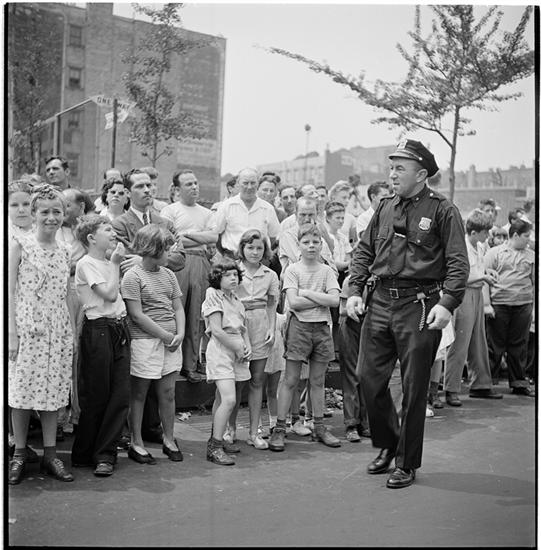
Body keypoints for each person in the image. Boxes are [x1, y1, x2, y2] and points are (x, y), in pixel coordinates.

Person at [346, 139, 469, 489]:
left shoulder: (443, 211)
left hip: (420, 305)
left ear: (421, 174)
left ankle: (406, 462)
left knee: (414, 388)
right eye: (391, 167)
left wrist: (447, 303)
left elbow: (458, 263)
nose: (392, 174)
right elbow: (364, 251)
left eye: (400, 168)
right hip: (379, 301)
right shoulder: (385, 207)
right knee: (368, 378)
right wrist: (354, 291)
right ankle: (388, 442)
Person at [112, 168, 186, 444]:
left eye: (150, 185)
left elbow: (179, 258)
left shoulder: (164, 221)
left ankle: (157, 430)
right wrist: (141, 259)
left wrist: (146, 257)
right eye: (140, 186)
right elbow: (121, 259)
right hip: (140, 312)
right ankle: (133, 435)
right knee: (139, 384)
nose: (147, 190)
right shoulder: (120, 223)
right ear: (128, 191)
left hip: (163, 302)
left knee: (165, 386)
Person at [8, 184, 74, 484]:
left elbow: (65, 293)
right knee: (21, 393)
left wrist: (70, 332)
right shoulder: (20, 245)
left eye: (56, 211)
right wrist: (11, 332)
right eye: (44, 211)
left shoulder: (65, 250)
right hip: (26, 328)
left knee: (52, 393)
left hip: (56, 330)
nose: (51, 217)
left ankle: (50, 455)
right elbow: (9, 291)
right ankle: (20, 454)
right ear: (34, 214)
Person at [269, 224, 342, 452]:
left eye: (315, 242)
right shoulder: (293, 270)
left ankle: (318, 426)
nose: (311, 246)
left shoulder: (327, 271)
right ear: (298, 245)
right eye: (306, 242)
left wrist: (308, 293)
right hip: (299, 328)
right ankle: (280, 428)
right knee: (290, 379)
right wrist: (321, 299)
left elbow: (335, 301)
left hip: (321, 328)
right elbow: (294, 302)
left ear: (321, 244)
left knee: (317, 380)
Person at [70, 215, 130, 477]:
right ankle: (86, 452)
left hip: (118, 328)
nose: (113, 233)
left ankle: (105, 453)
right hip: (99, 330)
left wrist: (115, 264)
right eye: (107, 229)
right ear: (92, 238)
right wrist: (116, 264)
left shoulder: (108, 262)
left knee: (119, 395)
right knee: (97, 393)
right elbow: (110, 294)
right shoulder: (87, 263)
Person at [121, 225, 186, 464]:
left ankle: (169, 438)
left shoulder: (168, 274)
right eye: (166, 250)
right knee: (139, 393)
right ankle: (136, 442)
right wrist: (165, 336)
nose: (170, 254)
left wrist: (179, 334)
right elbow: (136, 315)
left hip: (171, 342)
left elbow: (177, 306)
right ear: (153, 249)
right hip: (145, 341)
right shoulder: (133, 276)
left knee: (168, 392)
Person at [160, 170, 217, 383]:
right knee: (177, 311)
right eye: (188, 184)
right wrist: (197, 237)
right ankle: (172, 363)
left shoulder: (206, 213)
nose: (194, 187)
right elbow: (169, 238)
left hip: (201, 262)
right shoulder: (170, 210)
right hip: (178, 262)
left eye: (195, 183)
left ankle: (190, 365)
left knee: (196, 314)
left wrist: (186, 235)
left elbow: (213, 237)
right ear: (177, 189)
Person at [443, 210, 503, 407]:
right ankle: (451, 388)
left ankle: (481, 384)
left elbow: (476, 270)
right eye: (485, 232)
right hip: (464, 294)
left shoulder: (479, 246)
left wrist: (486, 272)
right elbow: (458, 277)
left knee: (479, 341)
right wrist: (482, 277)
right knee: (460, 343)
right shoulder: (461, 247)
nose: (488, 236)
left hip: (476, 293)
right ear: (474, 232)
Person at [201, 260, 252, 465]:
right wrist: (237, 347)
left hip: (237, 350)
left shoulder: (237, 300)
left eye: (235, 275)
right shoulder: (213, 295)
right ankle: (214, 447)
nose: (233, 278)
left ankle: (219, 437)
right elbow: (217, 330)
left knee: (222, 398)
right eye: (227, 275)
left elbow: (243, 328)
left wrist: (246, 346)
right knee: (229, 399)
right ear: (217, 278)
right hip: (222, 350)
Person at [234, 229, 279, 450]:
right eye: (250, 247)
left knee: (257, 379)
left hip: (260, 324)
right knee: (236, 380)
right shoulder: (234, 270)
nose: (255, 252)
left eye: (259, 248)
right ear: (242, 248)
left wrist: (271, 327)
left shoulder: (270, 274)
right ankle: (229, 429)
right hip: (238, 323)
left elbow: (272, 303)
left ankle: (254, 432)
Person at [7, 180, 40, 463]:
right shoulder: (8, 237)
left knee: (23, 379)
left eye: (26, 204)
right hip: (10, 312)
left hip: (32, 316)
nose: (21, 209)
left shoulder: (39, 234)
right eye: (14, 204)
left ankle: (19, 439)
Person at [484, 218, 535, 396]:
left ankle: (519, 382)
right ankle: (486, 382)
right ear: (515, 235)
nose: (529, 239)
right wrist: (486, 304)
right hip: (499, 304)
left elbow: (535, 282)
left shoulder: (531, 256)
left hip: (523, 305)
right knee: (494, 345)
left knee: (519, 345)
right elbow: (484, 280)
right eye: (526, 236)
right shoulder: (494, 253)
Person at [213, 167, 280, 258]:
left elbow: (274, 237)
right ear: (238, 183)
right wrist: (225, 254)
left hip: (258, 259)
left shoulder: (268, 209)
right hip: (232, 258)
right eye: (245, 183)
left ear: (257, 184)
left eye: (253, 183)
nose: (249, 187)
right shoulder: (227, 206)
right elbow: (216, 233)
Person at [337, 275, 370, 442]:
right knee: (351, 375)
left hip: (371, 327)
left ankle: (365, 422)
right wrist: (363, 309)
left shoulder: (379, 280)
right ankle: (351, 424)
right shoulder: (350, 280)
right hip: (351, 325)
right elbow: (342, 310)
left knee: (368, 375)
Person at [328, 180, 358, 245]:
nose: (347, 201)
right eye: (344, 198)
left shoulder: (351, 219)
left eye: (348, 198)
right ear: (333, 198)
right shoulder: (323, 217)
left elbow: (352, 242)